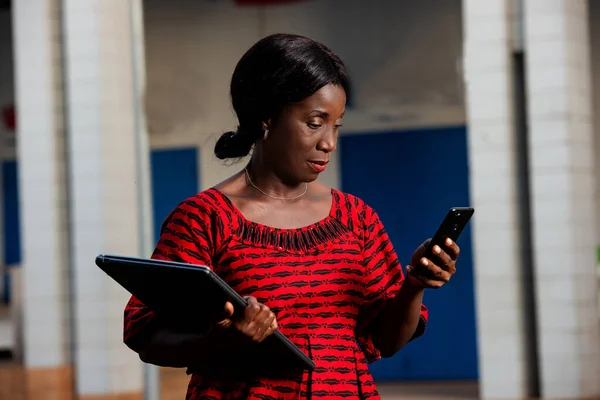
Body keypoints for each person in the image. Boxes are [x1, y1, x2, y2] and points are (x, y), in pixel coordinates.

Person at [123, 33, 460, 400]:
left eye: (336, 125)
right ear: (267, 117)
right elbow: (147, 335)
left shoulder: (356, 219)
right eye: (315, 123)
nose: (328, 142)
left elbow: (388, 341)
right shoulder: (205, 219)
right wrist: (218, 341)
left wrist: (414, 285)